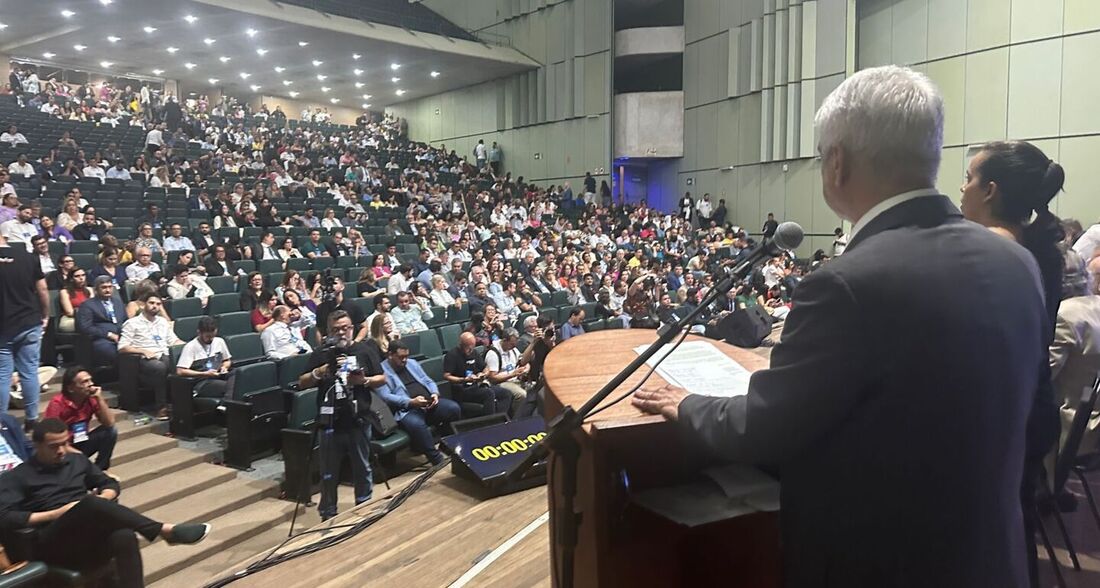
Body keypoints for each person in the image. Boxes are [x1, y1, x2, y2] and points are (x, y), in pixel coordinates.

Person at [632, 65, 1048, 587]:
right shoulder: (1017, 263)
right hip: (992, 562)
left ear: (836, 162)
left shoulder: (845, 284)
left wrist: (688, 404)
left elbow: (763, 429)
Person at [959, 139, 1067, 584]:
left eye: (969, 178)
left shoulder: (991, 252)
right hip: (1032, 404)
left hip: (1004, 412)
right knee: (1012, 533)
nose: (961, 188)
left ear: (990, 191)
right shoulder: (1040, 250)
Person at [0, 419, 211, 588]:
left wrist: (104, 500)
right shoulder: (18, 476)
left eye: (65, 443)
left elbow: (108, 483)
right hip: (51, 541)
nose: (62, 450)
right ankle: (165, 531)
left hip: (85, 533)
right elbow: (6, 517)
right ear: (37, 446)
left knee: (124, 536)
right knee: (90, 504)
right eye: (54, 446)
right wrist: (56, 513)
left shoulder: (77, 461)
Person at [296, 311, 386, 521]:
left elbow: (382, 379)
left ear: (352, 328)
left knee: (362, 468)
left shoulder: (364, 350)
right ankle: (328, 514)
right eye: (336, 329)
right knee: (328, 472)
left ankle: (364, 509)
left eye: (345, 328)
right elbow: (302, 382)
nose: (341, 333)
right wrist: (320, 372)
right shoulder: (321, 353)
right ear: (328, 332)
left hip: (358, 419)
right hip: (330, 422)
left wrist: (363, 381)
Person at [378, 341, 461, 465]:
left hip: (428, 403)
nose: (404, 360)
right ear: (390, 355)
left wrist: (434, 393)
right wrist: (410, 402)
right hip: (406, 409)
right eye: (401, 357)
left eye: (406, 356)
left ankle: (446, 444)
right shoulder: (381, 371)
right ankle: (436, 459)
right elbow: (385, 396)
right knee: (417, 424)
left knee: (453, 408)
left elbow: (428, 380)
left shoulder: (412, 363)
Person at [0, 237, 48, 429]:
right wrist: (46, 315)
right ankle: (32, 419)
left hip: (3, 327)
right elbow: (43, 289)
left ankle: (2, 423)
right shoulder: (28, 257)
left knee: (2, 376)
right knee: (29, 372)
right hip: (29, 322)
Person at [118, 293, 182, 421]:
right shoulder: (132, 323)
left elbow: (173, 341)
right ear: (143, 305)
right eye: (151, 303)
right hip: (143, 359)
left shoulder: (163, 322)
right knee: (159, 367)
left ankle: (180, 406)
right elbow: (122, 347)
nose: (155, 306)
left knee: (180, 363)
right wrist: (142, 351)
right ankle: (161, 408)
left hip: (164, 354)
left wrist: (187, 346)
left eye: (158, 304)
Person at [44, 368, 117, 470]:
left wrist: (99, 398)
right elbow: (49, 435)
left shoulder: (91, 398)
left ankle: (100, 469)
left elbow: (109, 423)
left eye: (90, 380)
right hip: (63, 447)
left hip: (81, 440)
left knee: (110, 431)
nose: (90, 384)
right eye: (84, 382)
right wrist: (76, 453)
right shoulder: (57, 403)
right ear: (71, 388)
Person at [443, 333, 511, 416]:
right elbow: (446, 376)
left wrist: (483, 374)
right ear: (461, 345)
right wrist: (463, 380)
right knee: (488, 393)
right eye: (468, 348)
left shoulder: (474, 352)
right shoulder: (452, 355)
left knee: (506, 393)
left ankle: (499, 419)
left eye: (472, 347)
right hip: (462, 389)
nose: (471, 350)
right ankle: (490, 421)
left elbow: (486, 367)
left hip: (476, 385)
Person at [175, 316, 232, 401]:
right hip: (202, 381)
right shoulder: (191, 347)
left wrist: (224, 367)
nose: (211, 339)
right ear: (199, 332)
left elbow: (227, 360)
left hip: (218, 376)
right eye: (208, 336)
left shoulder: (219, 341)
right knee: (229, 386)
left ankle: (228, 402)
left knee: (237, 375)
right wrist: (205, 374)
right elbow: (180, 371)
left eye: (213, 336)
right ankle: (228, 403)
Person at [485, 328, 529, 417]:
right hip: (501, 383)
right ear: (504, 340)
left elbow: (523, 362)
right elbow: (492, 378)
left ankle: (527, 415)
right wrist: (513, 374)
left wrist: (526, 368)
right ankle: (515, 419)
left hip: (515, 379)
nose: (514, 346)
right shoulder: (493, 353)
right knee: (521, 394)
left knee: (535, 388)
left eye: (515, 343)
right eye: (512, 344)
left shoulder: (513, 349)